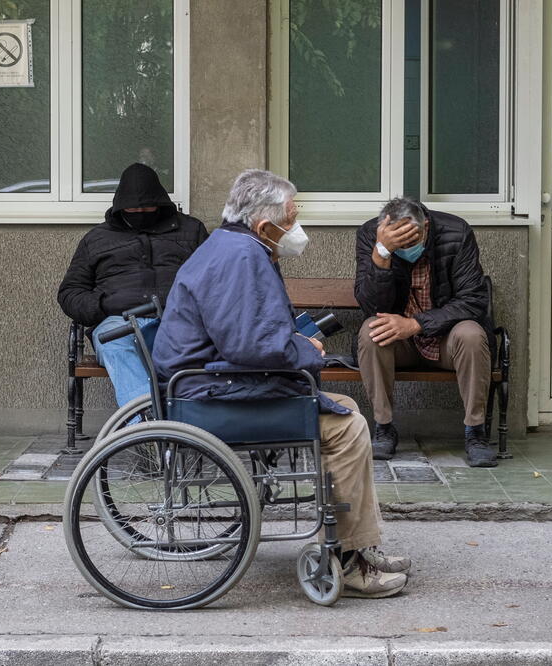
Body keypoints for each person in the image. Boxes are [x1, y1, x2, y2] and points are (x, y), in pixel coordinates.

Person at [151, 169, 411, 599]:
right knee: (347, 427)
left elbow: (246, 335)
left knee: (345, 410)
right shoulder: (242, 256)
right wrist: (307, 351)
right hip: (213, 396)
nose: (297, 227)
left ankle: (361, 544)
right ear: (264, 225)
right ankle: (348, 558)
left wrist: (292, 341)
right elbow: (253, 346)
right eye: (291, 218)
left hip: (208, 384)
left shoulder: (231, 245)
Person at [354, 197, 496, 467]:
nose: (407, 247)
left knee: (471, 334)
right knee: (371, 331)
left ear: (426, 226)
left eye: (412, 239)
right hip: (401, 345)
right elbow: (371, 306)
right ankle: (384, 426)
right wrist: (382, 253)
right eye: (400, 242)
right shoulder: (371, 235)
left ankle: (475, 432)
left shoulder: (457, 232)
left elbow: (473, 300)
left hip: (446, 339)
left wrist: (416, 324)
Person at [58, 163, 208, 408]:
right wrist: (103, 304)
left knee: (198, 350)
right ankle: (147, 427)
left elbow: (213, 279)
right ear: (120, 206)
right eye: (133, 208)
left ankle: (185, 424)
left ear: (160, 203)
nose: (140, 211)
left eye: (147, 207)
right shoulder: (96, 239)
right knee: (114, 345)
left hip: (178, 318)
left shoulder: (191, 230)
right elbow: (70, 292)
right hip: (119, 321)